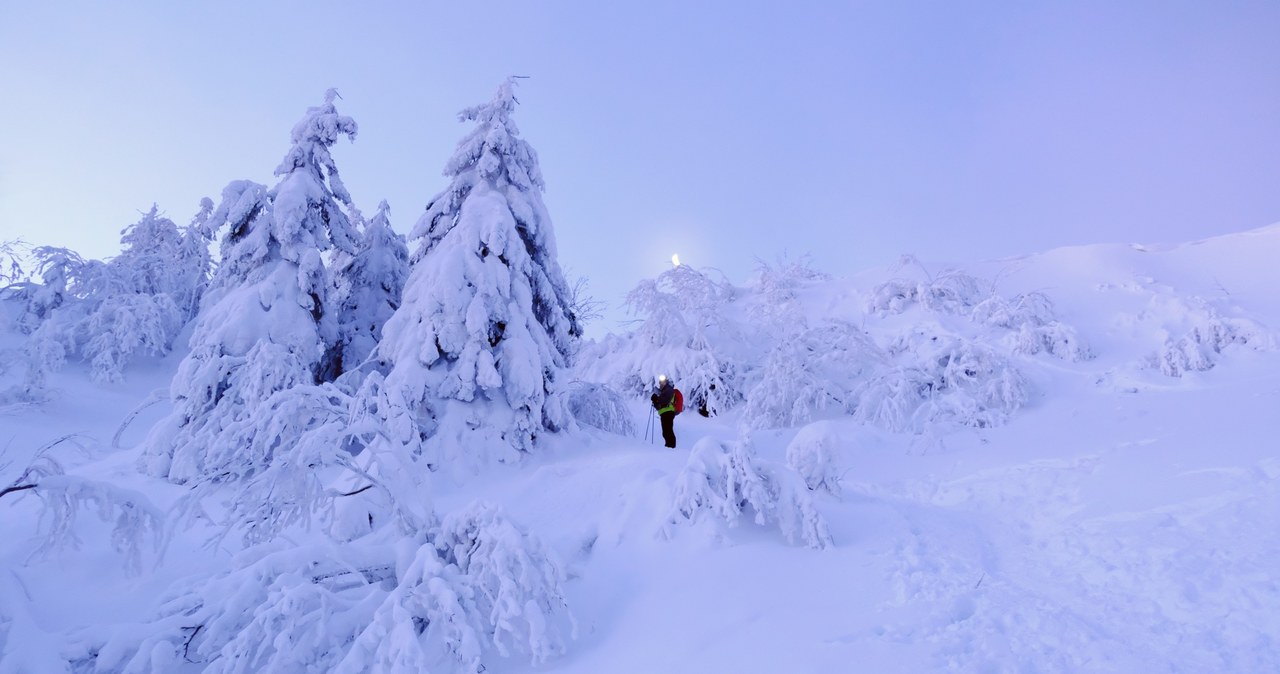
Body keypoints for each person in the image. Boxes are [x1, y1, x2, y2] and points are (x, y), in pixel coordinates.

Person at [650, 374, 678, 448]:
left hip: (668, 412)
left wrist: (656, 399)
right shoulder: (663, 392)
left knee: (667, 430)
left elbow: (665, 400)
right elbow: (659, 406)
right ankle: (669, 446)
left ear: (666, 382)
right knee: (666, 431)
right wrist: (655, 401)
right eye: (660, 382)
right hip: (664, 413)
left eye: (663, 382)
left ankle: (671, 447)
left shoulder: (669, 389)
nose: (661, 383)